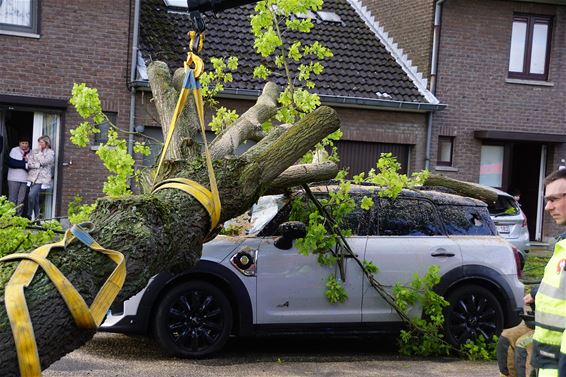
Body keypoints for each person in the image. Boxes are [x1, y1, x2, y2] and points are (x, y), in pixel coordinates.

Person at [529, 168, 566, 377]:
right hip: (550, 358)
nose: (547, 207)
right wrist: (536, 294)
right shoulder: (563, 244)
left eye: (553, 199)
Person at [26, 135, 55, 220]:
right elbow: (30, 163)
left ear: (46, 143)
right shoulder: (34, 151)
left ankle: (29, 214)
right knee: (35, 199)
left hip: (42, 178)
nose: (40, 144)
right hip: (33, 177)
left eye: (41, 142)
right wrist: (38, 164)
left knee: (31, 195)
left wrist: (39, 153)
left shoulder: (50, 152)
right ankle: (37, 219)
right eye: (39, 142)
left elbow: (45, 162)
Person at [7, 138, 30, 216]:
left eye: (26, 143)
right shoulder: (14, 150)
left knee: (21, 200)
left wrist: (20, 164)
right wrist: (25, 164)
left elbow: (32, 166)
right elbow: (11, 163)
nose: (24, 145)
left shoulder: (32, 152)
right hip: (13, 178)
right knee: (12, 199)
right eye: (22, 143)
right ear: (19, 143)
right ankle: (10, 217)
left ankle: (18, 217)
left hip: (25, 179)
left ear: (28, 144)